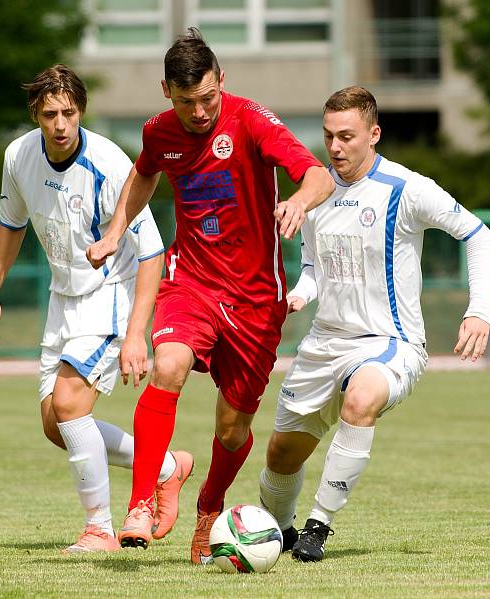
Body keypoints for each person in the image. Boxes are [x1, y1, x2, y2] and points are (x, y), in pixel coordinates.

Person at [86, 29, 335, 564]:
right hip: (191, 281)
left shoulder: (251, 120)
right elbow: (143, 172)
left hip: (255, 299)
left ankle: (208, 507)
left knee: (232, 429)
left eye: (208, 98)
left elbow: (317, 176)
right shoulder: (158, 132)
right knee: (168, 365)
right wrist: (114, 232)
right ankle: (139, 504)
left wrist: (299, 202)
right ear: (166, 93)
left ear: (222, 82)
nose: (199, 112)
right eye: (186, 102)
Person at [258, 86, 490, 562]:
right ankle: (277, 532)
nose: (336, 147)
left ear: (374, 133)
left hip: (391, 343)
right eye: (328, 136)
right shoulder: (314, 191)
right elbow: (312, 267)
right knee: (281, 456)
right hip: (324, 343)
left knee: (361, 399)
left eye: (347, 136)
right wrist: (298, 296)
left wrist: (478, 309)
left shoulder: (406, 189)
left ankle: (318, 527)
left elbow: (477, 232)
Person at [0, 64, 193, 554]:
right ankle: (165, 468)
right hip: (63, 299)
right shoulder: (18, 156)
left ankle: (100, 530)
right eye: (50, 113)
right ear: (35, 113)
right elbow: (11, 227)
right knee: (57, 425)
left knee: (71, 405)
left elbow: (153, 251)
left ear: (81, 112)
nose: (60, 124)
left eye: (69, 113)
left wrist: (137, 333)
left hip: (110, 294)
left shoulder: (111, 164)